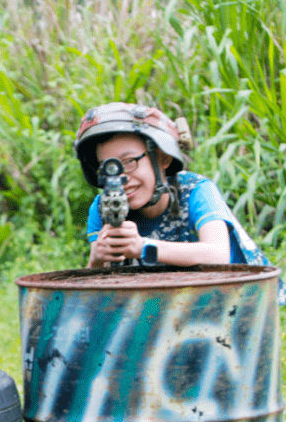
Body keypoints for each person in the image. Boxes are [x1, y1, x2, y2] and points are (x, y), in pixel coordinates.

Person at [75, 102, 285, 302]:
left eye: (129, 162)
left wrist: (143, 247)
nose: (121, 178)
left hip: (239, 300)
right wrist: (96, 260)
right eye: (108, 168)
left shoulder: (197, 189)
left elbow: (218, 254)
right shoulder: (104, 208)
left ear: (162, 158)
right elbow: (97, 294)